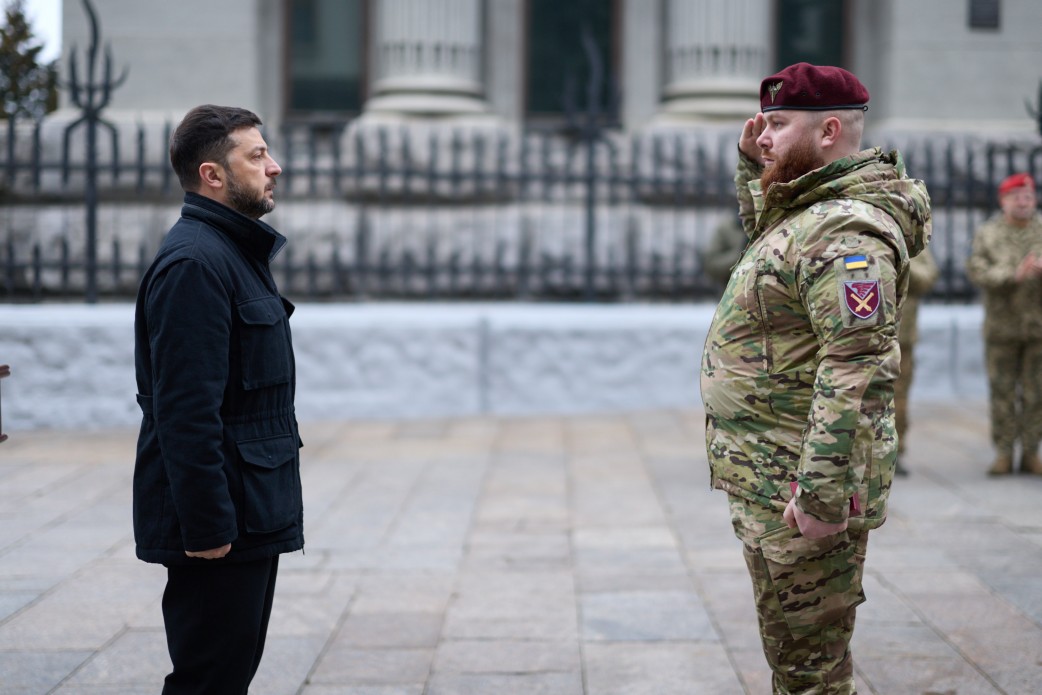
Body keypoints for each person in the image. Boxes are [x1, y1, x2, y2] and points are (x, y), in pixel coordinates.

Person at [700, 63, 932, 692]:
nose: (763, 134)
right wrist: (754, 167)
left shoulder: (847, 230)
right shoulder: (812, 211)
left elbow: (856, 364)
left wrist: (822, 498)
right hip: (772, 474)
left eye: (778, 124)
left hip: (799, 487)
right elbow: (777, 248)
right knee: (794, 658)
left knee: (811, 672)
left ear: (829, 131)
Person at [134, 104, 304, 694]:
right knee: (209, 682)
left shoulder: (230, 252)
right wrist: (207, 528)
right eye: (256, 156)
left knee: (227, 677)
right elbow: (185, 411)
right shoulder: (196, 264)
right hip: (223, 525)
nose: (274, 167)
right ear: (212, 174)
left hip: (251, 509)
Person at [966, 173, 1042, 476]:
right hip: (1002, 328)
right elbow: (977, 270)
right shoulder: (989, 233)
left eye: (1028, 197)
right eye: (1016, 197)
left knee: (1036, 393)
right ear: (1003, 201)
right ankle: (1004, 452)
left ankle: (1031, 452)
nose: (1023, 202)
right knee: (1002, 392)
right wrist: (1014, 274)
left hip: (1037, 329)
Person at [893, 250, 939, 475]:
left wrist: (896, 264)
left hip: (901, 337)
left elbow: (928, 276)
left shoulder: (909, 240)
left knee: (898, 396)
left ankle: (895, 452)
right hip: (861, 336)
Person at [702, 214, 748, 290]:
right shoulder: (726, 228)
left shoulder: (767, 226)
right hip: (732, 292)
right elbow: (711, 265)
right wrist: (740, 254)